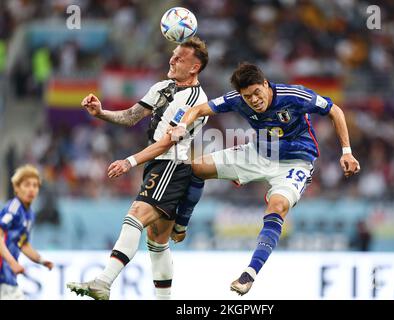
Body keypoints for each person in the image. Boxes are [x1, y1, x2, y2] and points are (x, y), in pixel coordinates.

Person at [108, 62, 361, 296]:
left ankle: (249, 274)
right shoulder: (238, 99)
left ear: (265, 84)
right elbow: (198, 109)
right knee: (196, 167)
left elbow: (334, 110)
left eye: (256, 93)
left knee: (277, 207)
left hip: (295, 162)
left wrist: (346, 152)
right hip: (260, 151)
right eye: (247, 97)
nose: (253, 100)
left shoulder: (294, 95)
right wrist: (181, 125)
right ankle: (181, 225)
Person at [66, 36, 209, 300]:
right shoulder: (163, 87)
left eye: (180, 58)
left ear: (194, 68)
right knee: (157, 242)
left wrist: (128, 161)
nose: (172, 59)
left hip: (172, 165)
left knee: (135, 214)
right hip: (159, 164)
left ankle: (103, 281)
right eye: (173, 54)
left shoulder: (194, 100)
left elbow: (167, 143)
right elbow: (132, 115)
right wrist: (101, 113)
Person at [0, 164, 54, 300]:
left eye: (35, 185)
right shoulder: (13, 208)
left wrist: (41, 260)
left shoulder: (29, 214)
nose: (32, 189)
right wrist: (13, 263)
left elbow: (23, 244)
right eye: (27, 185)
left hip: (8, 274)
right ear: (17, 188)